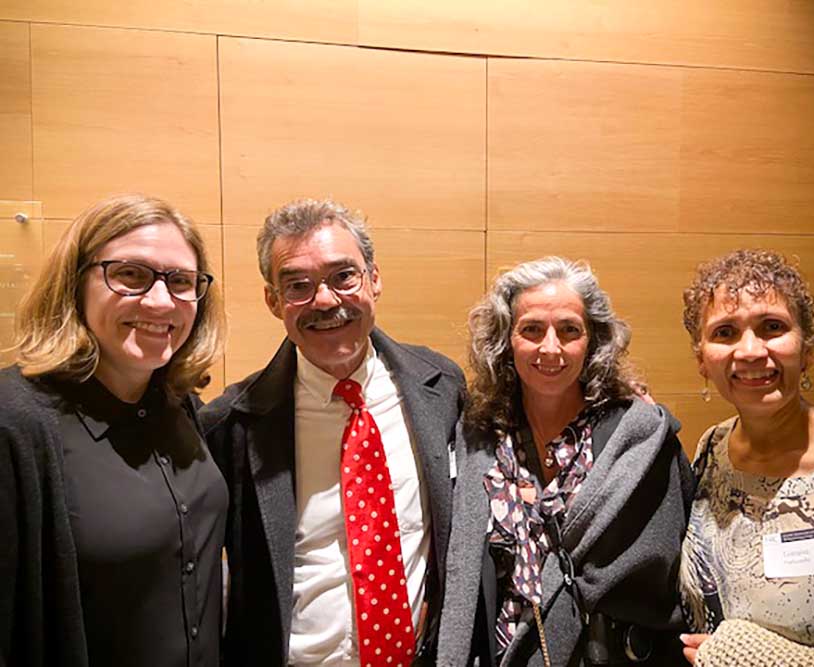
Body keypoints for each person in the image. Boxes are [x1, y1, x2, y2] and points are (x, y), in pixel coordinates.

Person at [200, 198, 464, 666]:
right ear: (273, 301)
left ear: (374, 279)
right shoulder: (231, 426)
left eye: (344, 276)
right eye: (298, 285)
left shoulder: (440, 388)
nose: (325, 300)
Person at [0, 193, 228, 667]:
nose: (161, 301)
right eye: (130, 274)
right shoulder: (14, 425)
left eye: (180, 281)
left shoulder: (180, 406)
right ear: (75, 283)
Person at [437, 256, 693, 666]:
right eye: (532, 330)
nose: (550, 348)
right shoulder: (479, 437)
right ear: (505, 340)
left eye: (569, 330)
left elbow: (673, 573)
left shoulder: (637, 439)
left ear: (593, 340)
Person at [678, 249, 814, 666]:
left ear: (806, 348)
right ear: (702, 360)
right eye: (725, 333)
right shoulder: (712, 451)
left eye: (772, 327)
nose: (751, 351)